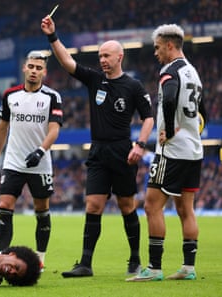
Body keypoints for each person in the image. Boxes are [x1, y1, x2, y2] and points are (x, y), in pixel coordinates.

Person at [41, 15, 154, 277]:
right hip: (98, 151)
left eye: (106, 55)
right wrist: (52, 36)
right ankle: (85, 264)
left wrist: (140, 144)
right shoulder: (94, 80)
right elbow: (67, 62)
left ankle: (135, 260)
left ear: (119, 57)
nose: (102, 59)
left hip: (124, 151)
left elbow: (148, 117)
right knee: (93, 205)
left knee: (127, 206)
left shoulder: (134, 86)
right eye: (100, 55)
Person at [127, 24, 205, 282]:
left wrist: (169, 129)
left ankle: (155, 268)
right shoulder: (194, 72)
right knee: (186, 209)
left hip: (171, 152)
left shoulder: (169, 71)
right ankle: (189, 268)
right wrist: (191, 129)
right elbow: (203, 112)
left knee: (151, 205)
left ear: (170, 45)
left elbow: (169, 98)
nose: (156, 53)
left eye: (158, 47)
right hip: (194, 150)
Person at [0, 50, 63, 269]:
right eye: (31, 66)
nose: (34, 71)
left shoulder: (52, 97)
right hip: (13, 161)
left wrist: (40, 151)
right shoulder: (10, 95)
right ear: (24, 68)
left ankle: (40, 258)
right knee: (4, 205)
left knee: (41, 208)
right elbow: (2, 128)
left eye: (38, 68)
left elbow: (54, 129)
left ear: (44, 72)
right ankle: (3, 254)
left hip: (40, 163)